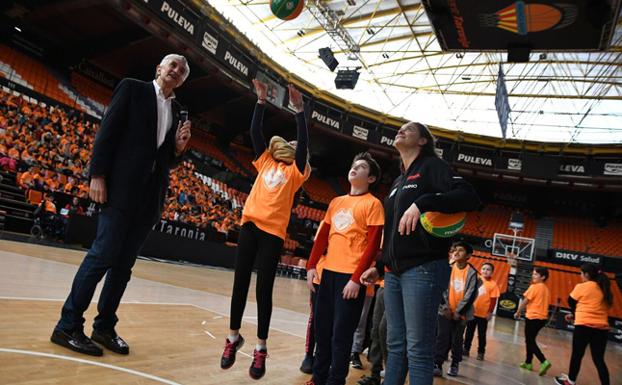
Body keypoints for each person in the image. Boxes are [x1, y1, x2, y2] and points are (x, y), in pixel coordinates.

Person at [51, 54, 192, 356]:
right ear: (159, 68)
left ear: (182, 81)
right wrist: (97, 175)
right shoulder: (132, 89)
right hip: (119, 191)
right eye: (172, 66)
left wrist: (178, 150)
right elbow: (108, 132)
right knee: (102, 257)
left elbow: (164, 160)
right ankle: (67, 325)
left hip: (149, 199)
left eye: (181, 71)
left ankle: (103, 328)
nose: (176, 71)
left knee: (123, 268)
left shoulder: (178, 111)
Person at [360, 122, 480, 385]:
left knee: (418, 349)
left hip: (424, 268)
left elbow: (469, 195)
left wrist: (423, 202)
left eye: (409, 129)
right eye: (400, 128)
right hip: (392, 273)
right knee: (395, 345)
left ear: (423, 141)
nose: (401, 130)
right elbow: (393, 231)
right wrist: (380, 266)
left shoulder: (432, 167)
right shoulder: (398, 180)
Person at [221, 79, 309, 380]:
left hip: (272, 233)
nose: (294, 147)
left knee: (263, 290)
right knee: (240, 284)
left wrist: (299, 112)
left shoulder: (297, 173)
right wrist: (260, 102)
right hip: (249, 225)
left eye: (298, 147)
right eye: (292, 144)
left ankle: (260, 348)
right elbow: (257, 133)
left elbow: (303, 146)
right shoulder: (266, 161)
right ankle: (232, 338)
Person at [304, 152, 384, 385]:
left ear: (371, 178)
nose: (354, 169)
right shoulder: (336, 202)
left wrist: (356, 279)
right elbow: (321, 239)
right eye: (353, 165)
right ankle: (318, 379)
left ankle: (335, 381)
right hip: (327, 274)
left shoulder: (373, 204)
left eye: (361, 167)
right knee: (322, 332)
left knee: (341, 336)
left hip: (349, 278)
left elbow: (373, 246)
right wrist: (311, 266)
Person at [554, 263, 612, 385]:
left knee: (577, 355)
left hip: (584, 326)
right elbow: (594, 308)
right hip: (602, 328)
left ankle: (570, 381)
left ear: (586, 274)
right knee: (599, 359)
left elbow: (571, 301)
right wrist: (576, 315)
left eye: (581, 273)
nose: (580, 276)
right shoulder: (604, 288)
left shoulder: (582, 286)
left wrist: (576, 314)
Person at [433, 241, 480, 377]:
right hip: (445, 311)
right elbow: (441, 287)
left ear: (468, 255)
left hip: (461, 314)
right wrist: (445, 307)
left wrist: (459, 312)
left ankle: (455, 363)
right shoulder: (449, 267)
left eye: (460, 250)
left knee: (456, 340)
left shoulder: (472, 273)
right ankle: (437, 363)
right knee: (441, 337)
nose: (456, 252)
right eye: (455, 250)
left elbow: (470, 296)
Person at [514, 267, 552, 376]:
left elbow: (526, 300)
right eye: (533, 274)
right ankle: (528, 362)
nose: (533, 276)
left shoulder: (534, 287)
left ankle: (543, 361)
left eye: (536, 274)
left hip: (533, 318)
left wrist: (518, 311)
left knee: (530, 341)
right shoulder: (546, 289)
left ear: (543, 277)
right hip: (542, 319)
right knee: (530, 340)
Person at [463, 262, 500, 361]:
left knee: (481, 334)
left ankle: (481, 352)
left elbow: (493, 300)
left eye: (488, 269)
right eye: (483, 269)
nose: (485, 271)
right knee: (469, 332)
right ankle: (466, 349)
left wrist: (489, 312)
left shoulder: (493, 284)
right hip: (472, 312)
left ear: (492, 272)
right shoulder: (476, 280)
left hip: (483, 314)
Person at [357, 276, 387, 385]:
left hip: (398, 288)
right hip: (383, 286)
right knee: (375, 331)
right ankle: (375, 375)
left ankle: (390, 376)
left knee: (385, 331)